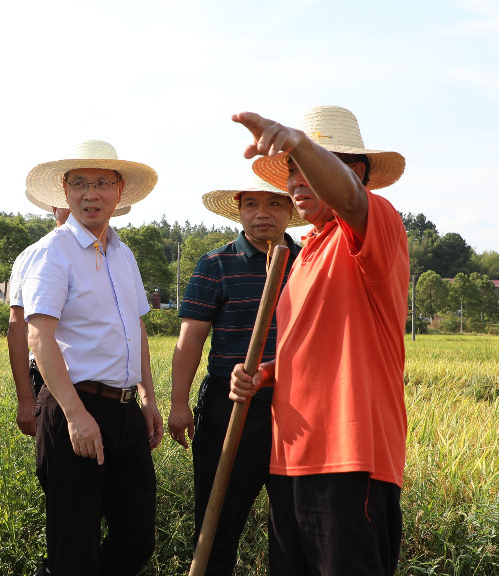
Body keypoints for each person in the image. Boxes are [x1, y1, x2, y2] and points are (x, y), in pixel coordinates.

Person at [229, 106, 409, 576]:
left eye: (308, 167)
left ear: (356, 173)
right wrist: (264, 374)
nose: (295, 181)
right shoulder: (306, 250)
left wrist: (300, 144)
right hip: (291, 458)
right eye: (291, 170)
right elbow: (311, 348)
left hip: (350, 456)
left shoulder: (374, 224)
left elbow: (348, 198)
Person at [22, 140, 163, 575]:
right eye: (80, 184)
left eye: (102, 183)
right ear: (65, 192)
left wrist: (148, 397)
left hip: (124, 410)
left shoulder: (123, 253)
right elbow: (38, 335)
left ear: (119, 192)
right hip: (74, 405)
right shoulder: (53, 251)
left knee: (137, 537)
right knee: (74, 544)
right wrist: (75, 414)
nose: (91, 194)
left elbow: (135, 328)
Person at [168, 175, 303, 575]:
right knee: (217, 524)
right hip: (230, 407)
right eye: (251, 205)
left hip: (297, 409)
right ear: (240, 212)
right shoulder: (216, 265)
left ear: (290, 209)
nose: (262, 214)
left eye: (273, 203)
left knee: (294, 525)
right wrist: (178, 403)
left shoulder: (308, 264)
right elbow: (190, 339)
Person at [7, 191, 130, 437]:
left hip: (115, 397)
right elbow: (19, 328)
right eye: (67, 201)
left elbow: (132, 328)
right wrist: (25, 399)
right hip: (56, 384)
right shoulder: (39, 254)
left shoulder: (118, 254)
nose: (76, 207)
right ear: (54, 206)